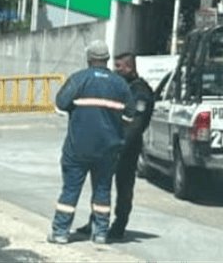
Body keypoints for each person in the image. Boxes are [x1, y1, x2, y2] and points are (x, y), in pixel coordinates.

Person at [48, 40, 135, 245]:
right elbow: (130, 116)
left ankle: (60, 232)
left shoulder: (79, 79)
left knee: (70, 189)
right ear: (106, 59)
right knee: (103, 189)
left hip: (78, 147)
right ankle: (101, 233)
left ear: (89, 58)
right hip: (108, 148)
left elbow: (60, 104)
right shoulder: (120, 84)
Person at [76, 52, 155, 240]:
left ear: (129, 67)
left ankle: (120, 225)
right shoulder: (118, 86)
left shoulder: (140, 91)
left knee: (124, 187)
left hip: (126, 148)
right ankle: (95, 220)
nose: (115, 70)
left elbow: (136, 125)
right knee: (101, 185)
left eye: (119, 66)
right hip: (108, 144)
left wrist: (120, 145)